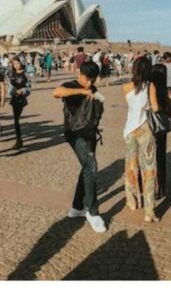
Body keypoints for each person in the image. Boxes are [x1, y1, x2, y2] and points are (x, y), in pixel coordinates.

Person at [53, 60, 106, 234]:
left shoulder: (92, 87)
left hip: (89, 134)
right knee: (91, 166)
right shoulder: (72, 85)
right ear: (79, 74)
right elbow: (57, 92)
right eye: (86, 79)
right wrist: (81, 90)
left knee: (87, 168)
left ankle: (76, 208)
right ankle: (92, 212)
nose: (89, 83)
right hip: (75, 134)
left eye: (93, 80)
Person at [123, 55, 159, 222]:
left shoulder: (126, 87)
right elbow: (156, 108)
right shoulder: (150, 86)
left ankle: (132, 201)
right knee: (149, 169)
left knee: (131, 166)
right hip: (145, 128)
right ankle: (149, 211)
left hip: (129, 129)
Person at [149, 63, 171, 201]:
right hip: (162, 126)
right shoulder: (166, 90)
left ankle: (152, 186)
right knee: (161, 157)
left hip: (151, 126)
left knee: (150, 157)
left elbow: (154, 108)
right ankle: (161, 187)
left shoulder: (150, 88)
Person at [7, 57, 31, 150]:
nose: (16, 65)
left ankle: (19, 140)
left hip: (21, 98)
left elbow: (29, 88)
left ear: (21, 63)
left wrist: (23, 90)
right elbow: (9, 86)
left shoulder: (25, 74)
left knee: (16, 119)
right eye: (14, 64)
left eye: (18, 63)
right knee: (16, 120)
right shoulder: (11, 74)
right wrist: (11, 91)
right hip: (14, 98)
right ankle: (19, 140)